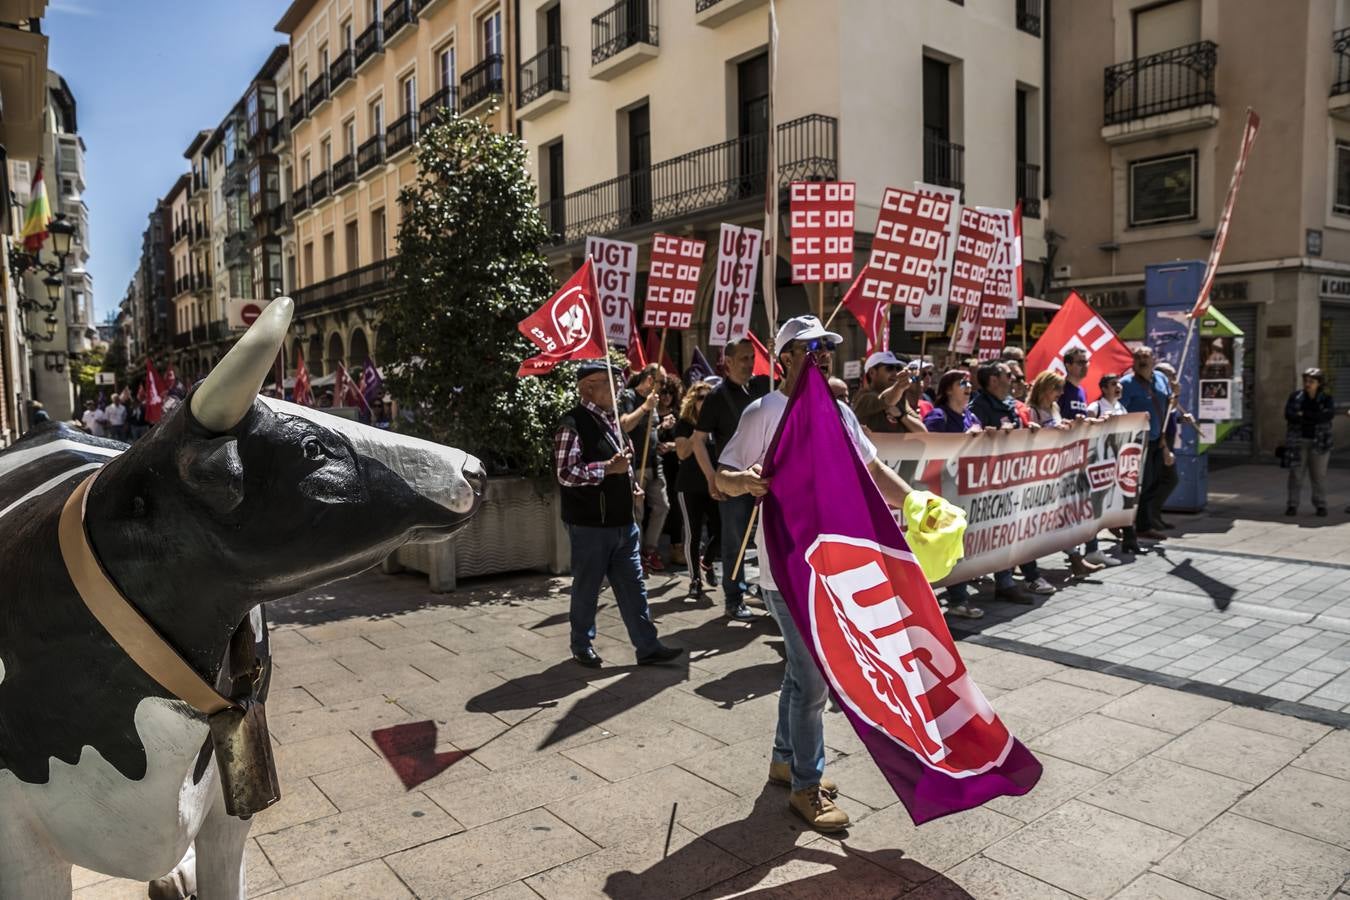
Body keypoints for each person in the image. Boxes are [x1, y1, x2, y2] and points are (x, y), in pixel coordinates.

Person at [716, 315, 916, 833]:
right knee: (813, 682)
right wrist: (746, 480)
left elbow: (872, 470)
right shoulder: (764, 410)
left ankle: (785, 761)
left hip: (834, 567)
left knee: (798, 676)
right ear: (783, 357)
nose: (821, 355)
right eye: (808, 348)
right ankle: (807, 785)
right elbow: (722, 477)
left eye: (825, 347)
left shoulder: (842, 412)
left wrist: (916, 502)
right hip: (786, 569)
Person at [555, 360, 684, 669]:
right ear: (588, 388)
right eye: (608, 383)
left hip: (622, 521)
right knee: (588, 587)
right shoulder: (571, 423)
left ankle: (647, 645)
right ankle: (581, 643)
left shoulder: (612, 421)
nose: (617, 389)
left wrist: (632, 486)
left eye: (616, 382)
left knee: (634, 587)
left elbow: (622, 463)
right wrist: (607, 468)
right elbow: (566, 473)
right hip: (590, 524)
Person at [692, 338, 769, 620]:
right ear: (729, 361)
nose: (750, 363)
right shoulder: (716, 397)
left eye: (752, 357)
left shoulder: (763, 387)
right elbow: (698, 440)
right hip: (735, 479)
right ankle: (733, 598)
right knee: (734, 541)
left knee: (767, 539)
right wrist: (712, 478)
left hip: (765, 478)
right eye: (744, 358)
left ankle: (765, 590)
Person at [968, 361, 1055, 601]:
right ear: (993, 380)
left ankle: (1030, 574)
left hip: (1014, 477)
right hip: (992, 481)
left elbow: (1018, 429)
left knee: (1019, 528)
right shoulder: (980, 406)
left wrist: (1028, 429)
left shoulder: (1010, 405)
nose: (1013, 380)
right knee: (1001, 531)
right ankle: (1005, 582)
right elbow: (975, 437)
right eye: (1008, 375)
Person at [922, 369, 985, 620]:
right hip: (942, 492)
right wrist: (961, 440)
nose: (968, 386)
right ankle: (957, 598)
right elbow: (928, 447)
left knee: (959, 544)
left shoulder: (971, 416)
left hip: (966, 490)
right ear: (948, 389)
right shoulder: (938, 417)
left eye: (970, 382)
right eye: (962, 383)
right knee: (947, 544)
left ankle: (957, 596)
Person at [620, 363, 673, 573]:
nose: (663, 387)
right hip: (637, 465)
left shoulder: (653, 400)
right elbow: (624, 424)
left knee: (662, 505)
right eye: (661, 382)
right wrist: (645, 408)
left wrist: (661, 429)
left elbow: (649, 429)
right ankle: (637, 552)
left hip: (654, 462)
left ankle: (650, 550)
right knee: (638, 512)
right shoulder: (629, 397)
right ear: (650, 380)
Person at [1118, 346, 1171, 551]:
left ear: (1154, 360)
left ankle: (1145, 523)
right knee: (1143, 483)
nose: (1142, 360)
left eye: (1146, 357)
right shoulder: (1126, 384)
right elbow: (1119, 409)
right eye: (1138, 357)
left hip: (1158, 439)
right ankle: (1140, 526)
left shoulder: (1161, 379)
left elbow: (1168, 405)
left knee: (1157, 480)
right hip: (1137, 441)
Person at [675, 380, 721, 600]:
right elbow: (682, 453)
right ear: (693, 401)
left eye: (709, 397)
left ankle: (708, 562)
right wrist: (699, 430)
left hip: (714, 485)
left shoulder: (717, 425)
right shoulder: (684, 423)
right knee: (693, 534)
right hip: (689, 486)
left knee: (721, 530)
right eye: (701, 397)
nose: (706, 401)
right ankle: (695, 580)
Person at [1284, 367, 1334, 517]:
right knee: (1296, 475)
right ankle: (1292, 505)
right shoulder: (1296, 397)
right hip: (1299, 441)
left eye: (1311, 381)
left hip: (1320, 442)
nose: (1307, 384)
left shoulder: (1326, 398)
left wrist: (1304, 414)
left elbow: (1326, 416)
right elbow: (1289, 415)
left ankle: (1321, 505)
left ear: (1319, 383)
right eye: (1306, 381)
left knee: (1319, 476)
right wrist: (1312, 416)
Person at [852, 350, 918, 433]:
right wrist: (900, 385)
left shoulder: (901, 399)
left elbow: (923, 432)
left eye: (898, 368)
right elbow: (888, 400)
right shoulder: (864, 398)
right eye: (889, 368)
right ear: (872, 372)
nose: (895, 373)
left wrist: (901, 416)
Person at [658, 379, 685, 566]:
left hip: (674, 466)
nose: (666, 396)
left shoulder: (678, 416)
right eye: (663, 392)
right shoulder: (650, 415)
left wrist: (672, 446)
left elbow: (686, 442)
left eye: (670, 393)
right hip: (656, 466)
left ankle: (676, 547)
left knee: (675, 507)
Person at [1058, 348, 1091, 421]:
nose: (1085, 366)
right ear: (1068, 366)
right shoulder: (1059, 388)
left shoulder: (1083, 391)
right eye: (1080, 363)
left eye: (1086, 362)